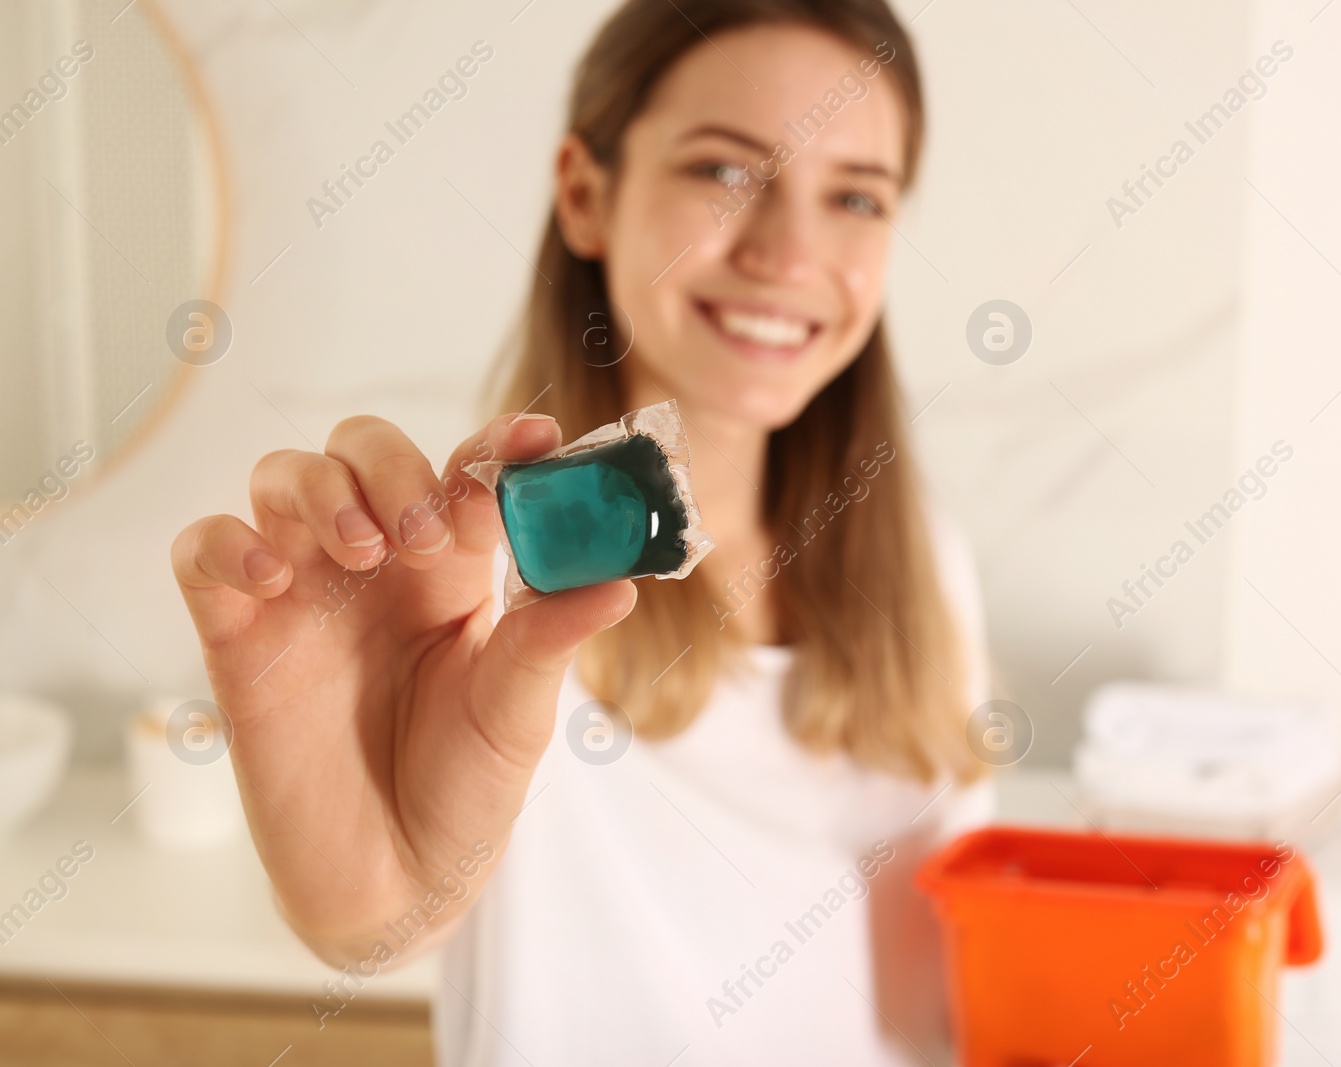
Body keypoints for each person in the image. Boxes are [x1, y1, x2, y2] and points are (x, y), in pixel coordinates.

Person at [171, 1, 993, 1062]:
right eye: (726, 172)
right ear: (585, 194)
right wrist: (366, 899)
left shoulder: (932, 570)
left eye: (855, 196)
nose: (792, 252)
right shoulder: (472, 592)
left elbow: (967, 981)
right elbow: (380, 919)